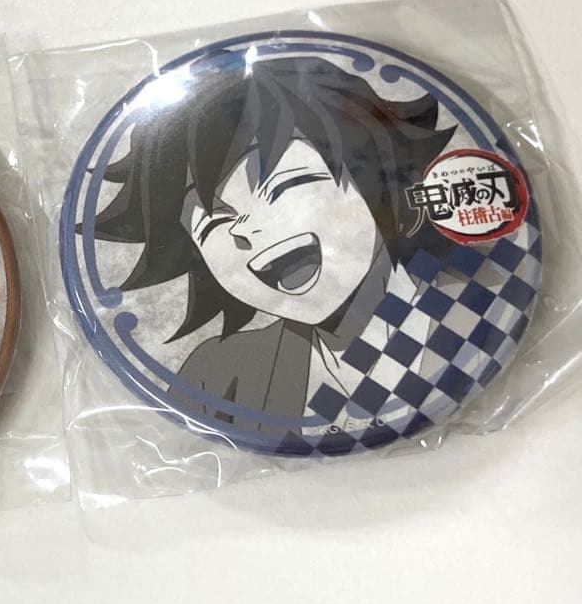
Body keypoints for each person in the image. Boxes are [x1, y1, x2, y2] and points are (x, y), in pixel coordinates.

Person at [90, 55, 466, 438]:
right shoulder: (217, 377)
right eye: (213, 224)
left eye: (284, 185)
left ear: (381, 182)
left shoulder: (476, 303)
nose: (246, 230)